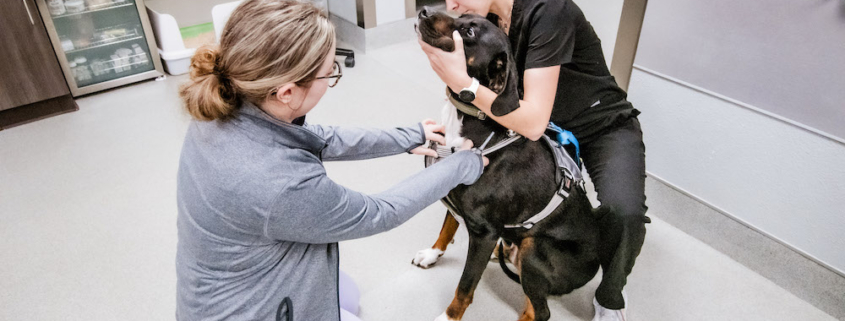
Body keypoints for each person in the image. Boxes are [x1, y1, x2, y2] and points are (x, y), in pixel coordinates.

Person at [175, 1, 488, 320]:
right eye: (330, 74)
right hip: (248, 312)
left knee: (345, 294)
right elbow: (379, 213)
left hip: (218, 290)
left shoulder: (224, 101)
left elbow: (317, 137)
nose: (331, 79)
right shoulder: (281, 185)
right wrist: (463, 163)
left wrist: (409, 136)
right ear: (286, 93)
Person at [418, 0, 648, 320]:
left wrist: (465, 86)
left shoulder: (550, 10)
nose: (451, 4)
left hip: (598, 125)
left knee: (624, 211)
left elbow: (533, 121)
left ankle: (610, 298)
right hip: (538, 128)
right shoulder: (491, 22)